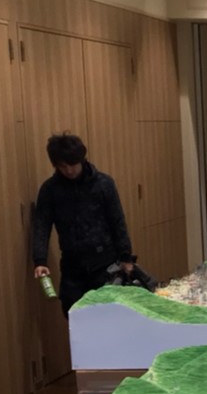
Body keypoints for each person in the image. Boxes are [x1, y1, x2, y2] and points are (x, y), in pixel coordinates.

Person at [31, 133, 136, 314]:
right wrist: (40, 260)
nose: (69, 171)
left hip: (105, 263)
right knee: (73, 313)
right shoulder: (50, 190)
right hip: (72, 265)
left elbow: (117, 221)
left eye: (72, 164)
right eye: (63, 166)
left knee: (108, 314)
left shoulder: (103, 183)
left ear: (81, 158)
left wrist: (126, 257)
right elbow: (42, 225)